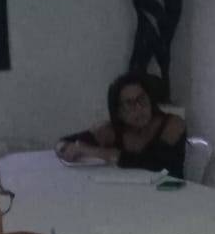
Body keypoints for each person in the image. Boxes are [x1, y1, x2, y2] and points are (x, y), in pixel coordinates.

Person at [57, 71, 186, 178]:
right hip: (132, 192)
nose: (139, 108)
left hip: (172, 192)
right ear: (118, 112)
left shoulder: (173, 124)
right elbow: (64, 142)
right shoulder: (112, 131)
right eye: (129, 104)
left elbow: (153, 164)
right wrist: (66, 149)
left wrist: (99, 152)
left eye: (142, 99)